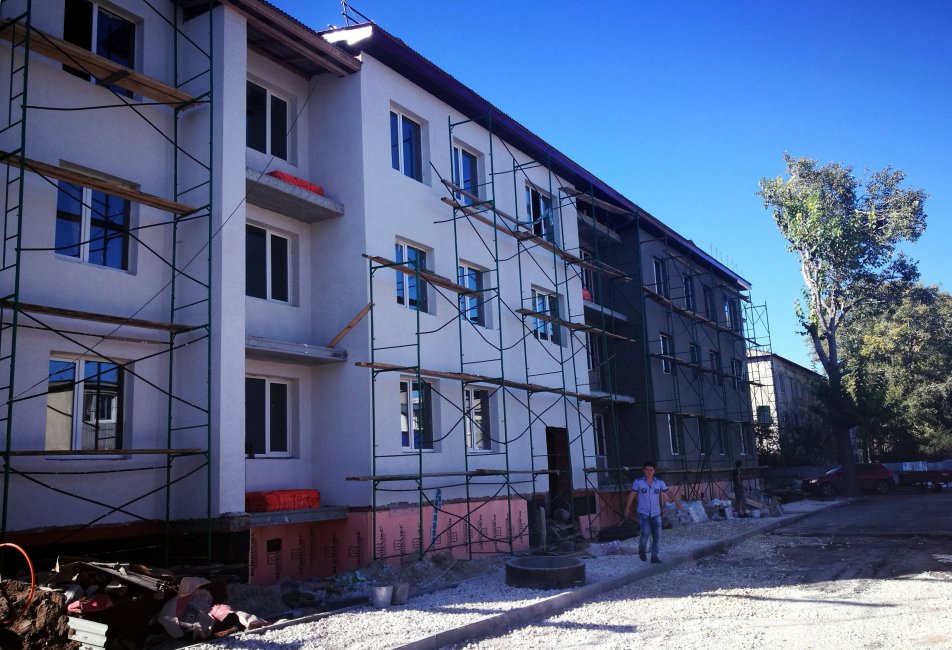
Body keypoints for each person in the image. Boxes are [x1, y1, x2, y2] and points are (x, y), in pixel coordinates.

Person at [624, 461, 682, 563]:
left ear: (654, 471)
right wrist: (627, 508)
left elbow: (668, 492)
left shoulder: (659, 482)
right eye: (647, 470)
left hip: (656, 513)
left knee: (657, 536)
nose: (649, 472)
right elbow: (632, 495)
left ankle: (654, 557)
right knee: (646, 533)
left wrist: (676, 501)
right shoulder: (638, 482)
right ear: (643, 470)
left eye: (651, 470)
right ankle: (642, 551)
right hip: (643, 513)